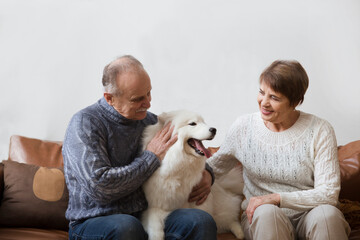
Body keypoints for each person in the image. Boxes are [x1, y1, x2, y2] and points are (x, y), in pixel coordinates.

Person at [62, 55, 217, 240]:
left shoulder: (150, 120)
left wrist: (207, 174)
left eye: (149, 93)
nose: (148, 103)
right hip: (93, 222)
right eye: (137, 99)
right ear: (109, 98)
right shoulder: (84, 124)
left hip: (146, 216)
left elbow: (185, 146)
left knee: (199, 220)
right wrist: (151, 157)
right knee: (127, 227)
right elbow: (101, 189)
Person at [207, 60, 351, 240]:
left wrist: (276, 198)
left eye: (274, 97)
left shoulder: (320, 129)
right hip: (262, 216)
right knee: (267, 213)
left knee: (327, 215)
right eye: (262, 92)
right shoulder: (243, 127)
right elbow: (214, 167)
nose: (264, 103)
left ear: (295, 101)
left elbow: (328, 193)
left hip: (311, 214)